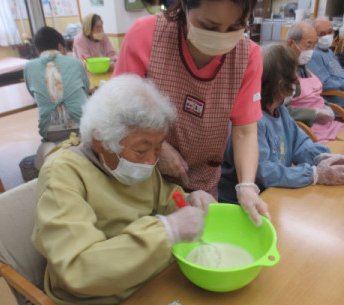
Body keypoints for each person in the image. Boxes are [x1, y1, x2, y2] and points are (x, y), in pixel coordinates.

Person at [31, 74, 215, 305]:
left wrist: (189, 201)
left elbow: (164, 199)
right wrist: (166, 231)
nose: (151, 161)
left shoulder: (132, 163)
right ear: (100, 141)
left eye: (159, 148)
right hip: (96, 302)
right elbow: (80, 268)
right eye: (141, 151)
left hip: (144, 279)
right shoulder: (62, 175)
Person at [113, 0, 270, 226]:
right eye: (209, 26)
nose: (221, 36)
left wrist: (246, 187)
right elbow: (119, 111)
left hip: (202, 187)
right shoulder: (146, 35)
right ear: (185, 7)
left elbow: (245, 131)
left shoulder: (248, 57)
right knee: (151, 245)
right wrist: (157, 149)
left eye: (235, 27)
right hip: (143, 180)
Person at [219, 45, 344, 202]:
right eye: (294, 77)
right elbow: (263, 172)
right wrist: (314, 174)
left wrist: (320, 157)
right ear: (281, 85)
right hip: (244, 201)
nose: (296, 83)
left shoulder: (281, 111)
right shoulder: (252, 121)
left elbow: (300, 143)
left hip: (271, 194)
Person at [24, 26, 89, 169]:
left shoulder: (29, 67)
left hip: (50, 130)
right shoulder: (75, 63)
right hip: (82, 125)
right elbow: (86, 87)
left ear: (37, 49)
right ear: (60, 46)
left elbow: (31, 92)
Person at [285, 21, 344, 144]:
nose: (311, 51)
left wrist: (327, 106)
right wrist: (315, 113)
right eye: (308, 45)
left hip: (325, 123)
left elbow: (316, 92)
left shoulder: (305, 65)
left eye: (314, 45)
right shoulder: (284, 71)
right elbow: (280, 110)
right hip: (308, 129)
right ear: (291, 43)